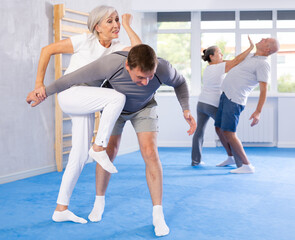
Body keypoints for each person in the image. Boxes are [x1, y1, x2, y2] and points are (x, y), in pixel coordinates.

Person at [27, 44, 197, 237]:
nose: (145, 82)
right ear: (127, 66)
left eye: (150, 76)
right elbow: (71, 79)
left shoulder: (164, 68)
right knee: (109, 151)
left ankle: (158, 214)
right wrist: (43, 93)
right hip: (115, 108)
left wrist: (186, 109)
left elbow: (180, 82)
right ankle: (99, 201)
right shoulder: (111, 63)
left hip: (144, 107)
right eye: (140, 77)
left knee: (150, 152)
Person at [30, 5, 142, 224]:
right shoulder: (83, 40)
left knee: (79, 156)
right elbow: (47, 50)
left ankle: (61, 208)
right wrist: (38, 85)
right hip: (70, 94)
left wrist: (128, 24)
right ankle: (99, 147)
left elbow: (140, 49)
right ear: (97, 26)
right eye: (109, 21)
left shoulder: (117, 48)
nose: (116, 24)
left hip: (87, 99)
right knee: (117, 97)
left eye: (117, 20)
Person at [215, 38, 280, 173]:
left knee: (229, 132)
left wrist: (258, 111)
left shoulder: (263, 64)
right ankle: (231, 157)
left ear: (267, 49)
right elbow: (234, 62)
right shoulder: (250, 56)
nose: (262, 39)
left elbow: (264, 89)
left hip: (234, 100)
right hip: (225, 95)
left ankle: (247, 165)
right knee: (218, 128)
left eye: (265, 40)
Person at [191, 36, 254, 166]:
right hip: (212, 104)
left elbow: (232, 61)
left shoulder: (209, 67)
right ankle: (240, 163)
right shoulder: (219, 67)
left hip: (201, 103)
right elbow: (236, 61)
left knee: (200, 131)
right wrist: (251, 48)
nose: (222, 54)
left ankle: (195, 160)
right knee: (228, 132)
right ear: (212, 56)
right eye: (219, 52)